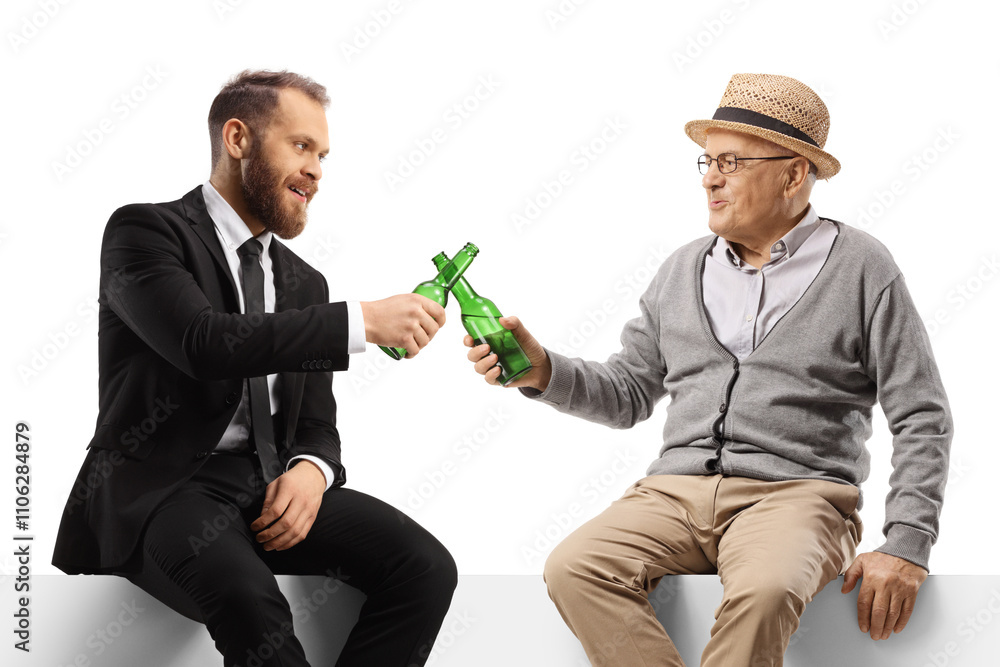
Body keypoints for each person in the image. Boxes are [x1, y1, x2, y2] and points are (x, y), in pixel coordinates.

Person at [465, 73, 952, 666]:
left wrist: (907, 542)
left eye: (731, 162)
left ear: (794, 173)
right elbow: (627, 394)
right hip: (673, 494)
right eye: (706, 161)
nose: (710, 178)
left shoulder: (862, 266)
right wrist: (540, 369)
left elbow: (921, 413)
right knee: (576, 567)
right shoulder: (681, 269)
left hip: (797, 496)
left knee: (768, 589)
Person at [52, 69, 457, 667]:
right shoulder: (145, 232)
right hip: (164, 489)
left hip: (265, 485)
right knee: (252, 602)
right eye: (300, 146)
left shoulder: (304, 282)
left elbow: (317, 420)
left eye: (322, 154)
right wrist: (361, 321)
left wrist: (313, 471)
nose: (317, 170)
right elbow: (202, 342)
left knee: (424, 568)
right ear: (237, 139)